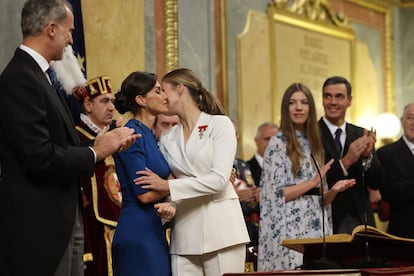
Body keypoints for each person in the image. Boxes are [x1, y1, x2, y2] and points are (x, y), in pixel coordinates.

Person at [0, 0, 139, 275]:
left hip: (61, 219)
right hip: (40, 226)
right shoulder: (20, 78)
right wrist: (94, 153)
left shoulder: (40, 76)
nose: (71, 40)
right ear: (51, 29)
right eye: (69, 31)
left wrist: (102, 145)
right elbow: (38, 157)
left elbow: (61, 146)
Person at [135, 68, 250, 276]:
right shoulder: (167, 138)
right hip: (184, 234)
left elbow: (219, 180)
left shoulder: (219, 124)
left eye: (163, 91)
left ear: (180, 89)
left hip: (222, 230)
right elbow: (173, 178)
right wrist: (170, 200)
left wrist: (167, 186)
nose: (161, 97)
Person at [258, 83, 355, 271]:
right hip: (290, 231)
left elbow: (321, 198)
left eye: (304, 102)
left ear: (311, 107)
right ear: (286, 109)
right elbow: (273, 195)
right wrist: (312, 182)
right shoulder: (278, 142)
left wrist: (333, 190)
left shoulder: (315, 143)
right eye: (292, 103)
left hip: (316, 228)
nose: (299, 107)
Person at [111, 71, 175, 276]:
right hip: (138, 233)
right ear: (141, 100)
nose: (165, 96)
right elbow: (144, 193)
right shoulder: (132, 134)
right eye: (158, 91)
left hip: (152, 230)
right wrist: (177, 185)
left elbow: (159, 184)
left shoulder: (148, 133)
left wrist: (167, 184)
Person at [318, 76, 383, 234]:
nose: (333, 102)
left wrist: (367, 157)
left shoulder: (360, 133)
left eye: (339, 96)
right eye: (328, 96)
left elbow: (377, 182)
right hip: (326, 218)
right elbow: (314, 180)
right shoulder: (311, 134)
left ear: (349, 100)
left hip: (361, 219)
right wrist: (346, 161)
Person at [75, 75, 122, 276]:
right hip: (91, 228)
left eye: (112, 101)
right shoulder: (75, 138)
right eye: (104, 101)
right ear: (88, 104)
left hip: (121, 223)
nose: (111, 107)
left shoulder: (117, 135)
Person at [377, 103, 414, 238]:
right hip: (404, 232)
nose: (413, 123)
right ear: (402, 121)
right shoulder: (386, 153)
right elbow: (390, 191)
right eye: (410, 117)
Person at [231, 119, 259, 271]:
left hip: (248, 227)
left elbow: (250, 189)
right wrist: (235, 197)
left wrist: (256, 195)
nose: (232, 137)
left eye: (235, 133)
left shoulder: (242, 164)